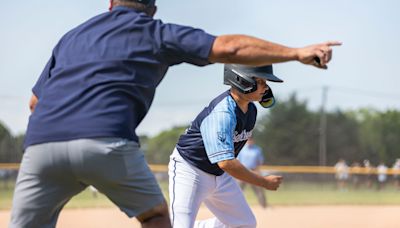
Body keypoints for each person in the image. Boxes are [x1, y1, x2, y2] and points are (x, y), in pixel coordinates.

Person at [10, 0, 341, 227]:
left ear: (109, 3)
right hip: (109, 142)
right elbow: (230, 49)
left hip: (41, 145)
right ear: (152, 10)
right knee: (155, 219)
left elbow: (34, 104)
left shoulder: (72, 37)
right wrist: (296, 52)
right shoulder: (154, 32)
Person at [169, 64, 285, 228]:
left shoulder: (251, 109)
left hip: (219, 175)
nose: (265, 87)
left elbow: (224, 164)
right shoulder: (222, 113)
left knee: (244, 224)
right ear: (242, 80)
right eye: (260, 81)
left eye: (266, 81)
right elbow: (226, 162)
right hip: (191, 170)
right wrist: (263, 182)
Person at [237, 137, 268, 208]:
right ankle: (236, 206)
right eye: (248, 140)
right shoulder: (241, 149)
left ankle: (264, 206)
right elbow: (238, 161)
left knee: (259, 189)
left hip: (254, 171)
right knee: (238, 189)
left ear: (253, 140)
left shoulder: (257, 149)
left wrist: (257, 171)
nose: (249, 141)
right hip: (242, 171)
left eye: (251, 140)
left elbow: (260, 161)